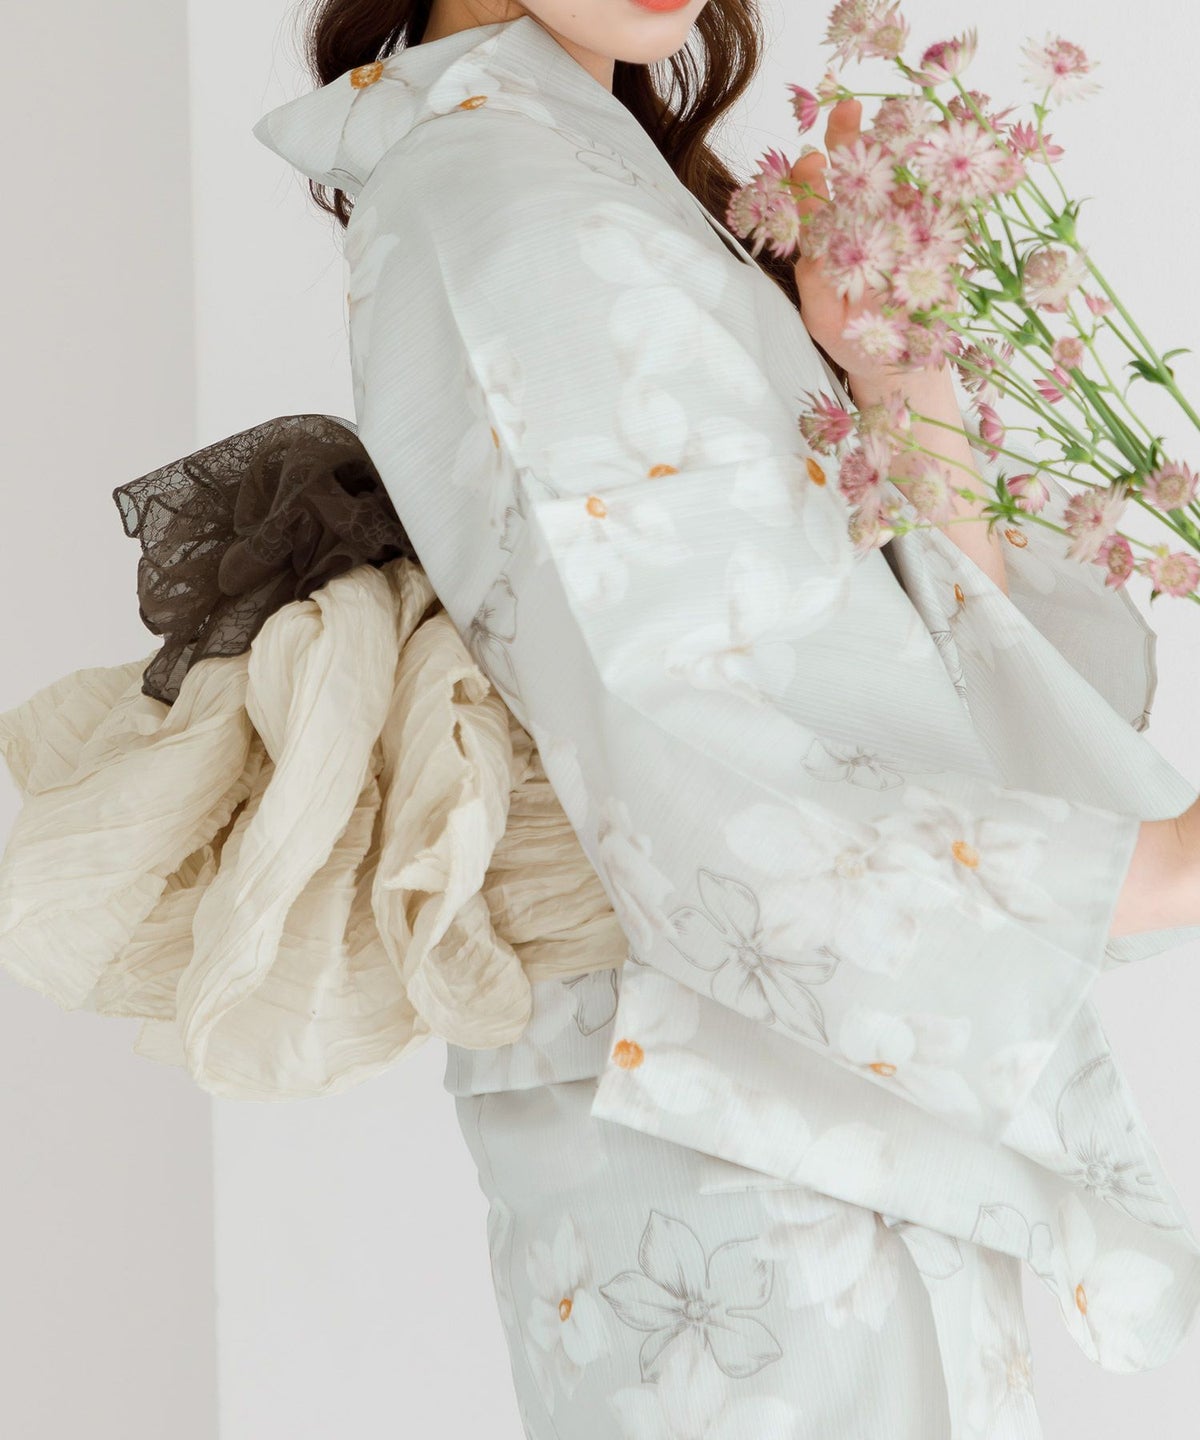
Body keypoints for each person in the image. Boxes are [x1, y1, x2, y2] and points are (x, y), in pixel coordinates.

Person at [3, 2, 1200, 1435]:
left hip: (774, 1080)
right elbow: (667, 703)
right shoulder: (497, 187)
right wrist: (1151, 868)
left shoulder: (582, 160)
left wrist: (894, 371)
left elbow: (898, 659)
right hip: (717, 1101)